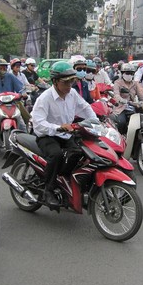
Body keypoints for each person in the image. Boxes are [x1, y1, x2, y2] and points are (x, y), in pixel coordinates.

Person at [31, 61, 96, 206]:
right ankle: (48, 190)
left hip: (66, 134)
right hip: (47, 135)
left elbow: (85, 107)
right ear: (54, 81)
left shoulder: (72, 93)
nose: (69, 85)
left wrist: (96, 121)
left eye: (72, 81)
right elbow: (39, 123)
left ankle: (63, 179)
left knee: (80, 152)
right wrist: (58, 127)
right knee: (57, 155)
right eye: (66, 82)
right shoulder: (45, 98)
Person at [113, 63, 143, 134]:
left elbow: (141, 96)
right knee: (121, 122)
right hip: (121, 108)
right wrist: (123, 100)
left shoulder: (135, 83)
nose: (129, 75)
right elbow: (116, 95)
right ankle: (121, 137)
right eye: (127, 73)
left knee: (141, 122)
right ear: (122, 73)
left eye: (131, 73)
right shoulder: (117, 83)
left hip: (133, 106)